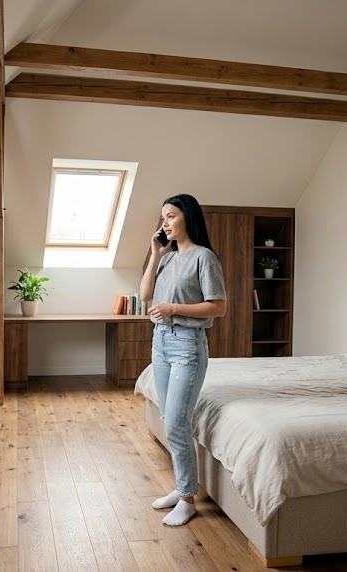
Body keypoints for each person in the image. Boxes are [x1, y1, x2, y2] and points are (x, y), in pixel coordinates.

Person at [140, 193, 227, 526]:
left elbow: (218, 307)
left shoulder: (204, 258)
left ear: (188, 217)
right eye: (163, 217)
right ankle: (182, 487)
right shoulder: (166, 258)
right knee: (168, 417)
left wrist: (174, 308)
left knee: (176, 422)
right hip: (160, 342)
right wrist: (154, 254)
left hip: (187, 345)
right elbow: (146, 293)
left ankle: (188, 500)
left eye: (171, 216)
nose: (165, 223)